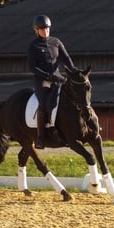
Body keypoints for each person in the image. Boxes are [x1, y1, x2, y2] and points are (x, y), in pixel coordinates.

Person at [27, 14, 76, 149]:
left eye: (47, 28)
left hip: (58, 78)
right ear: (37, 30)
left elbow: (66, 59)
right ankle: (40, 138)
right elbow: (33, 67)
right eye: (42, 29)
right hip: (42, 81)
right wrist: (48, 76)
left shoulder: (56, 42)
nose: (45, 31)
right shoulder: (34, 46)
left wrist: (73, 72)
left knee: (74, 96)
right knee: (43, 104)